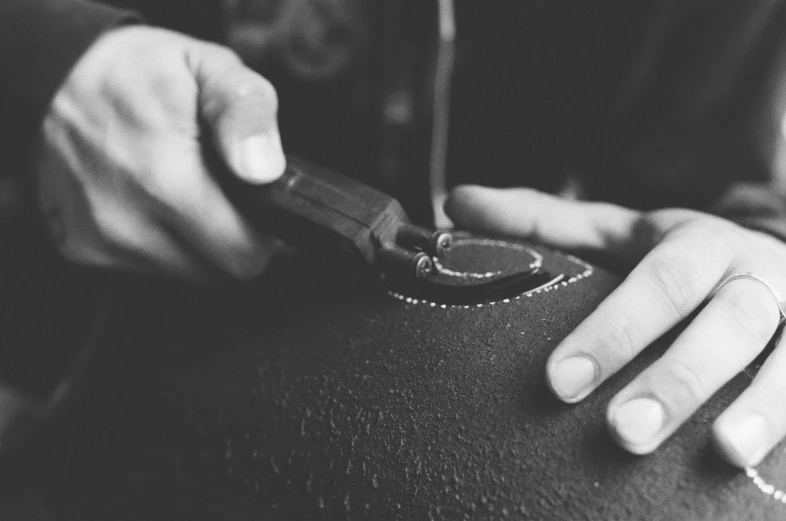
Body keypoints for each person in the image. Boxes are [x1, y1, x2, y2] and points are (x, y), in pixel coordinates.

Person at [3, 0, 786, 474]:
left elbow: (709, 166)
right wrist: (44, 56)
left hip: (439, 415)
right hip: (52, 345)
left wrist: (756, 249)